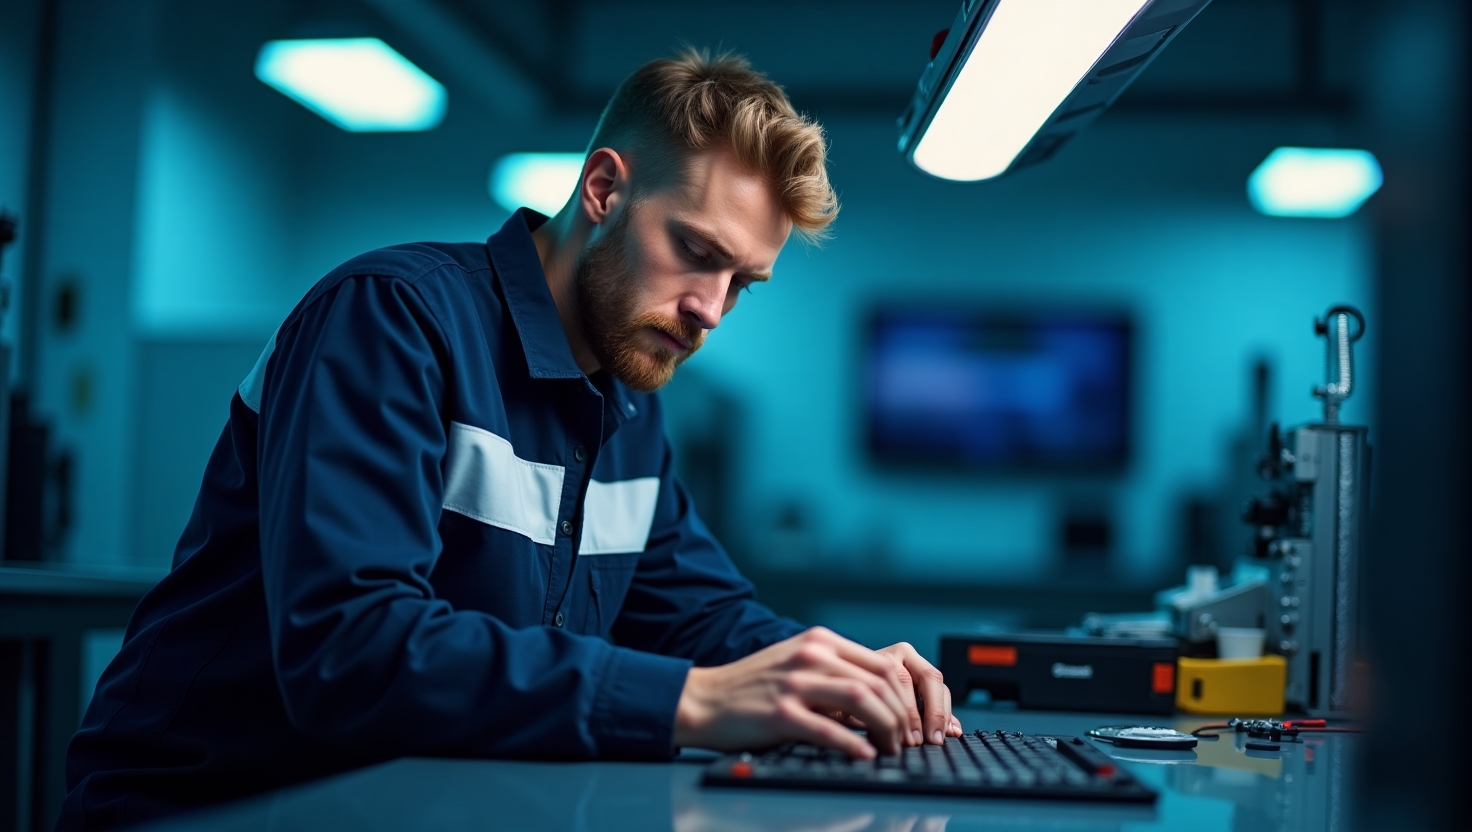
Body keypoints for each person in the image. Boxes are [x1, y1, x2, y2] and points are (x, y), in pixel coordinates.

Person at [60, 49, 962, 830]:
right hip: (218, 811)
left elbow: (702, 617)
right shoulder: (392, 319)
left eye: (743, 283)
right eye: (694, 250)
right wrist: (691, 700)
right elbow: (351, 651)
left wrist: (841, 672)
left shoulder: (628, 409)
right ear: (604, 189)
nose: (709, 311)